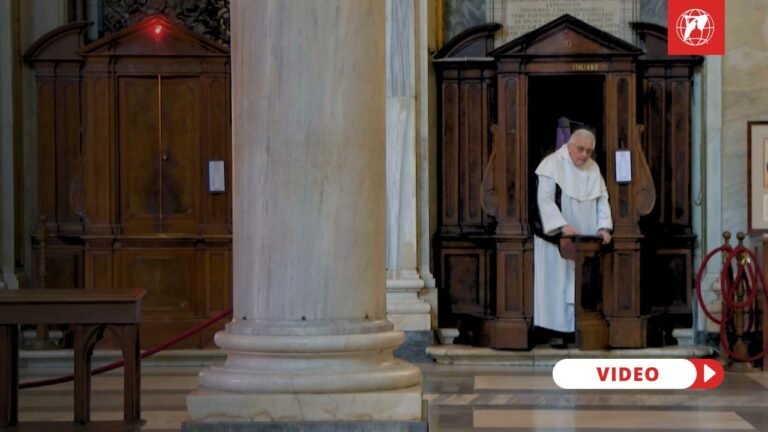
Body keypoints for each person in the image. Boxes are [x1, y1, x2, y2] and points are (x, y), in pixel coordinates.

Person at [533, 128, 613, 346]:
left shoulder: (593, 168)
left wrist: (604, 227)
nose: (584, 155)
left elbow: (602, 200)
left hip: (586, 239)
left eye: (589, 151)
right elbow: (545, 201)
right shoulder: (552, 164)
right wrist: (562, 226)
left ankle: (578, 328)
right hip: (557, 239)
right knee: (557, 284)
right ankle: (556, 331)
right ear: (569, 146)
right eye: (580, 149)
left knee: (578, 283)